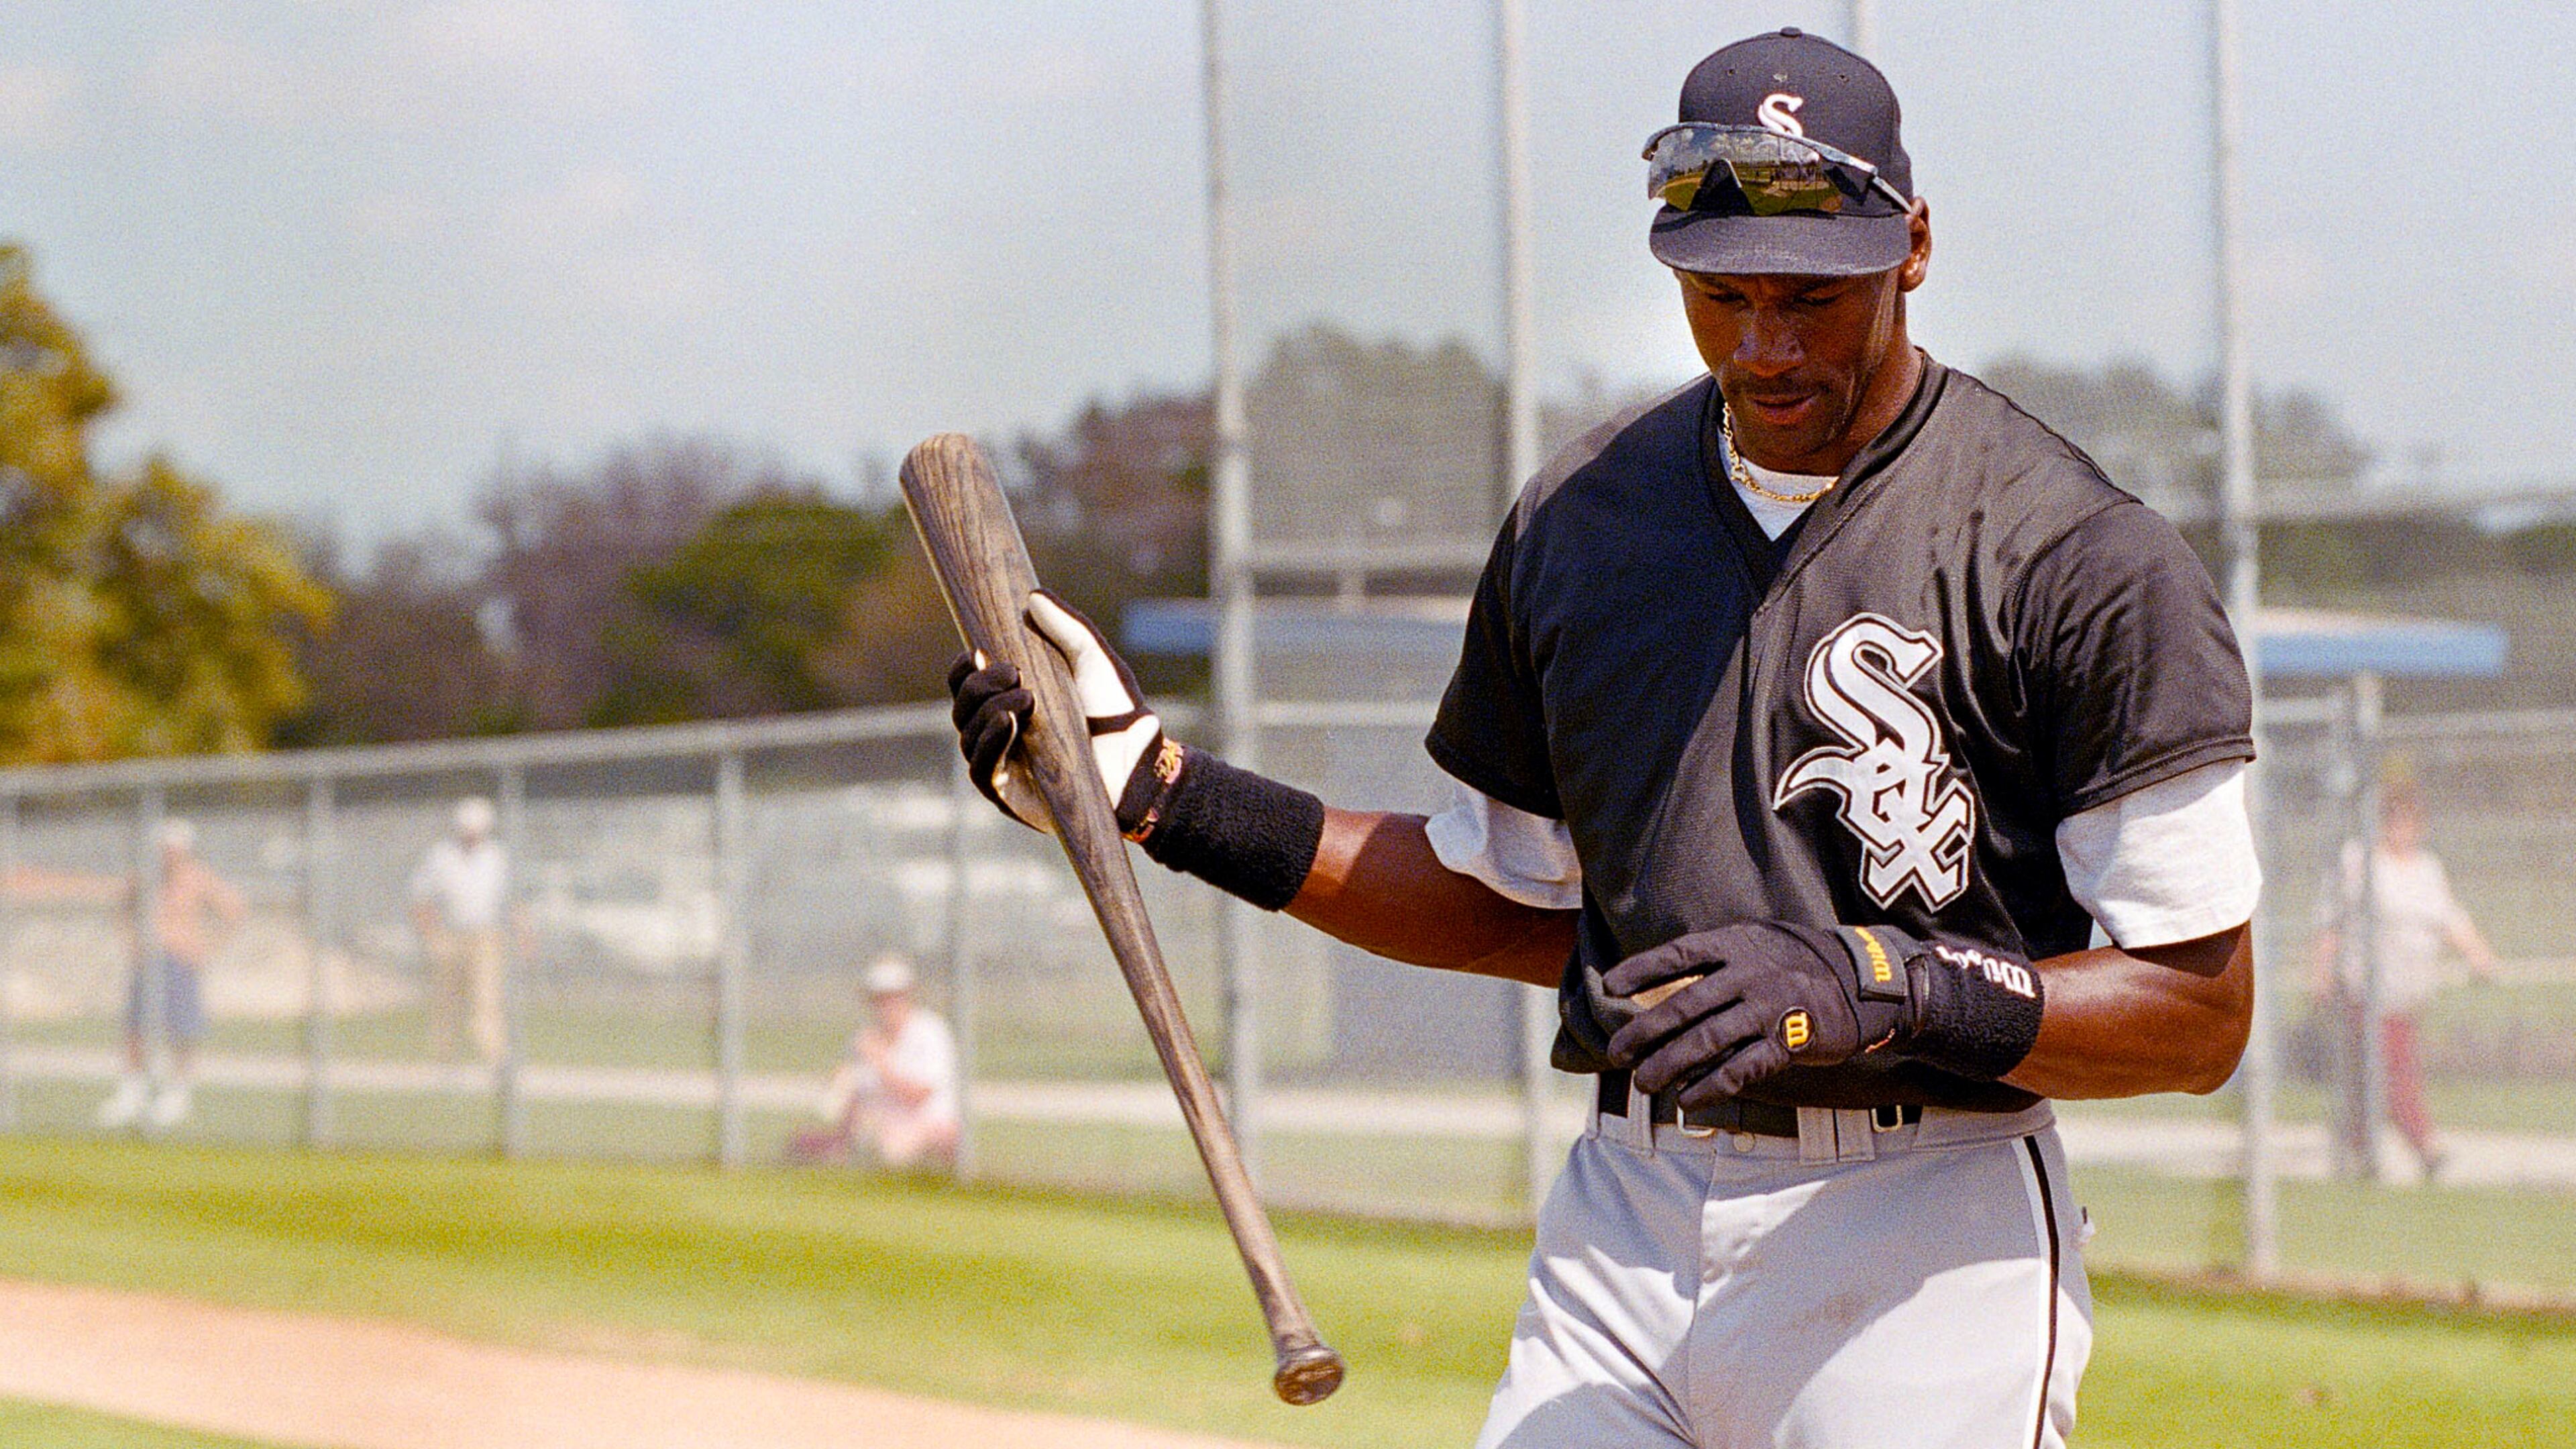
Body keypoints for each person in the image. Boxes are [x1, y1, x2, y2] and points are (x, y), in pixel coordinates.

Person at [949, 29, 2258, 1447]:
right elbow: (1511, 903)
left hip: (1924, 1226)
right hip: (1625, 1211)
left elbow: (2198, 1015)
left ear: (1914, 247)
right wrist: (1154, 790)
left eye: (1813, 296)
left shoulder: (2075, 552)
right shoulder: (1586, 523)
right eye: (1720, 293)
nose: (1766, 344)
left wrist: (1888, 989)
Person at [2310, 777, 2498, 1181]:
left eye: (2409, 822)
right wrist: (2322, 973)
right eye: (2393, 821)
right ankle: (2423, 1145)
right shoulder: (2360, 861)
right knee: (2392, 1068)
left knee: (2375, 1073)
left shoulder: (2428, 869)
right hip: (2366, 988)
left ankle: (2357, 1149)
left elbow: (2449, 917)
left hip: (2408, 991)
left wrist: (2478, 954)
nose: (2401, 830)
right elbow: (2332, 923)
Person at [97, 819, 247, 1130]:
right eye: (164, 849)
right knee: (136, 1028)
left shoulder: (198, 877)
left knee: (182, 1029)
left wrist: (206, 946)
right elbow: (120, 906)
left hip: (181, 959)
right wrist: (131, 942)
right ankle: (132, 1092)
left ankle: (177, 1094)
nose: (168, 856)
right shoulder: (146, 877)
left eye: (173, 850)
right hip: (149, 961)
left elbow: (234, 911)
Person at [791, 955, 961, 1171]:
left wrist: (881, 1064)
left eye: (893, 997)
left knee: (889, 1148)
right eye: (879, 999)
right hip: (877, 1124)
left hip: (929, 1125)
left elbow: (918, 1096)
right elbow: (856, 1098)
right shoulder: (867, 1037)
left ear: (907, 995)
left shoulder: (930, 1032)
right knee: (805, 1145)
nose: (886, 1005)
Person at [408, 796, 515, 1064]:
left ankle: (494, 1058)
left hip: (486, 935)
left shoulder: (496, 856)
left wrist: (522, 934)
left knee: (487, 998)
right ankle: (443, 1057)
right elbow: (420, 896)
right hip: (450, 935)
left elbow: (512, 900)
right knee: (446, 999)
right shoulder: (441, 855)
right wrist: (430, 935)